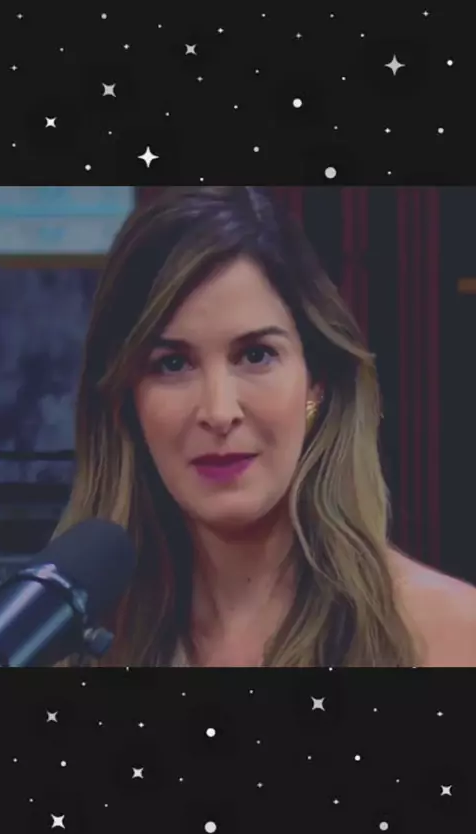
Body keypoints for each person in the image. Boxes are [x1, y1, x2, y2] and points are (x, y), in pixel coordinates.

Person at [54, 186, 476, 668]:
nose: (219, 412)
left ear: (316, 383)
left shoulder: (450, 636)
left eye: (256, 355)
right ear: (127, 401)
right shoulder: (66, 640)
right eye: (172, 364)